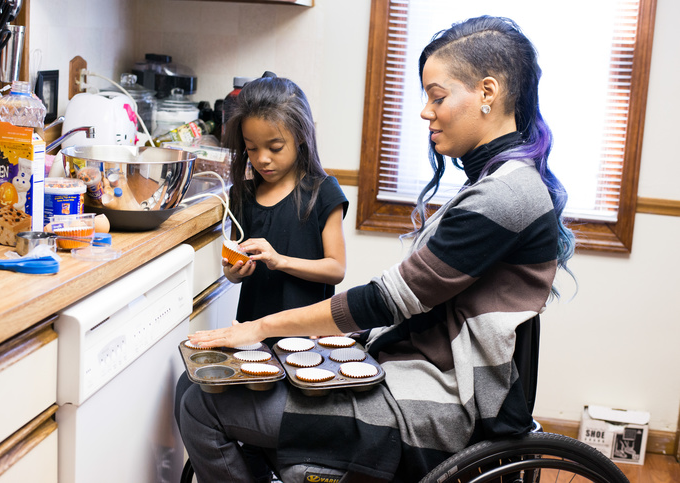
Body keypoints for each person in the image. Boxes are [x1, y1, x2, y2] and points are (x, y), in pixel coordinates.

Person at [176, 16, 575, 483]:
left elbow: (386, 300)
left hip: (434, 405)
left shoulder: (504, 195)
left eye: (437, 96)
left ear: (487, 92)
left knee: (203, 402)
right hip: (412, 372)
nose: (426, 111)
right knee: (198, 379)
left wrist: (257, 327)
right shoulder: (499, 184)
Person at [178, 73, 349, 481]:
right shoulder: (243, 195)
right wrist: (234, 272)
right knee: (196, 395)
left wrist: (280, 259)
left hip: (304, 346)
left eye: (275, 147)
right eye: (252, 149)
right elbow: (233, 272)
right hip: (253, 340)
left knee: (262, 430)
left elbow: (336, 268)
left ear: (301, 139)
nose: (263, 159)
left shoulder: (322, 192)